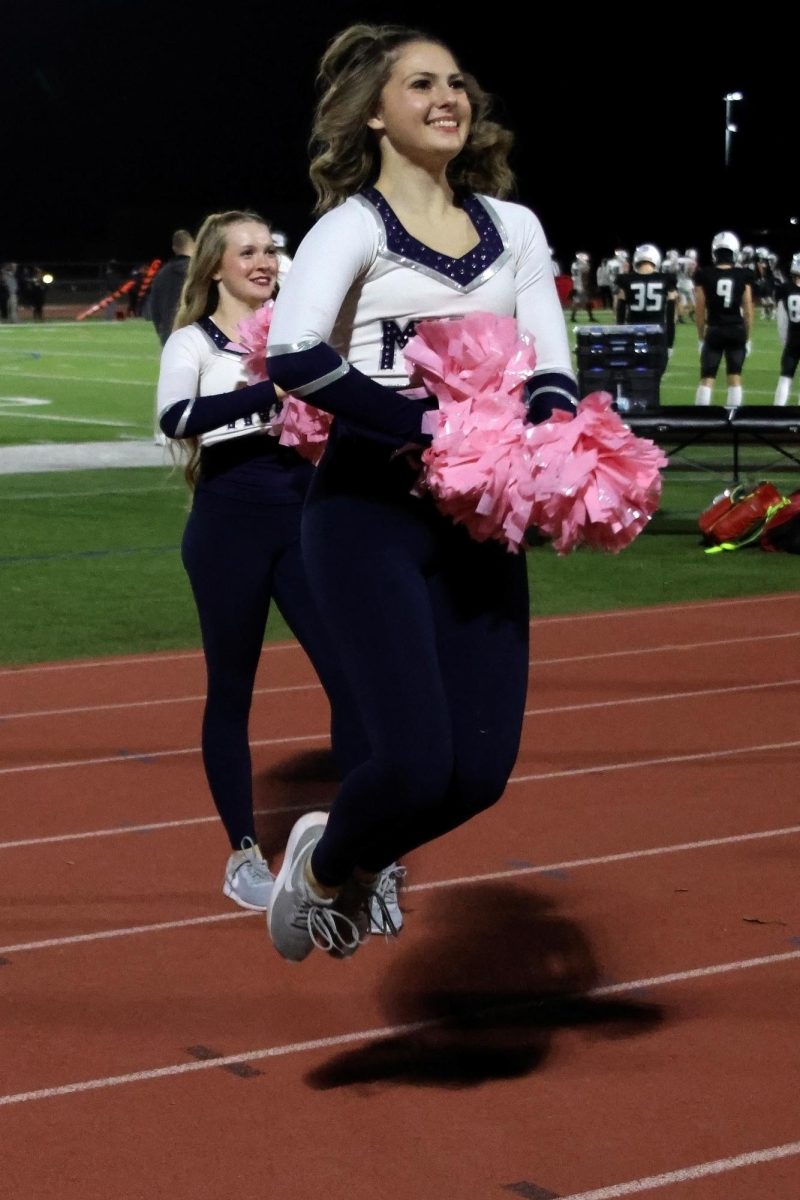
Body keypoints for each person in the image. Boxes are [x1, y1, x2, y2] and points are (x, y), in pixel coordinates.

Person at [264, 23, 579, 963]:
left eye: (456, 82)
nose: (449, 97)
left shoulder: (513, 227)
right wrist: (427, 426)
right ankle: (323, 870)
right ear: (373, 114)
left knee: (479, 774)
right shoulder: (350, 227)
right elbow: (293, 354)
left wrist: (549, 442)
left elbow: (551, 359)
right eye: (420, 85)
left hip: (481, 517)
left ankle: (346, 859)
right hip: (368, 509)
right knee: (410, 760)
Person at [156, 209, 378, 919]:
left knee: (352, 680)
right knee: (231, 689)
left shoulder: (297, 334)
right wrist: (268, 392)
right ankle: (244, 853)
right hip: (227, 529)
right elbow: (174, 418)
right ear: (214, 267)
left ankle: (357, 849)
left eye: (270, 249)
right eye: (246, 251)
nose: (264, 260)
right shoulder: (193, 342)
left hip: (304, 521)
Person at [693, 230, 754, 409]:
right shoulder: (743, 274)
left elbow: (699, 309)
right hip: (736, 329)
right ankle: (732, 421)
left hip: (714, 329)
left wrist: (700, 337)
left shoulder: (704, 274)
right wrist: (748, 337)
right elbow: (748, 309)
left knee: (707, 377)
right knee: (735, 377)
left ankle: (701, 420)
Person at [615, 242, 677, 369]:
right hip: (657, 335)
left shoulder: (626, 279)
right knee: (654, 376)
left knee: (634, 374)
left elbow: (620, 311)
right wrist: (669, 343)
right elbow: (671, 316)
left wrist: (620, 335)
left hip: (633, 333)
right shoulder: (667, 279)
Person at [149, 229, 196, 346]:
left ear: (175, 249)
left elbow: (154, 307)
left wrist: (161, 332)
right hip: (195, 331)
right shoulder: (199, 271)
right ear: (194, 246)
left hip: (168, 332)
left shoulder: (162, 274)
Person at [773, 251, 800, 406]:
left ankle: (777, 410)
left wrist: (785, 341)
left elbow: (782, 320)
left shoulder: (785, 289)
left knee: (785, 377)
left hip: (792, 338)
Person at [569, 251, 596, 322]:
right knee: (580, 302)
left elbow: (574, 274)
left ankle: (574, 317)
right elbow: (585, 276)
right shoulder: (584, 265)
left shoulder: (574, 265)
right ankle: (573, 317)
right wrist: (586, 287)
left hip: (576, 285)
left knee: (584, 302)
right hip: (582, 286)